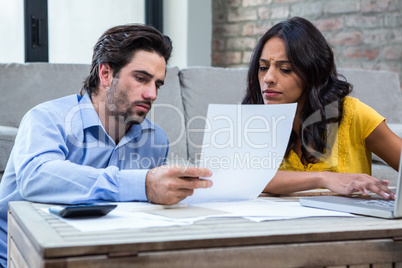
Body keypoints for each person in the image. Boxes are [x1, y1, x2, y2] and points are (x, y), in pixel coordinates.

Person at [0, 24, 212, 267]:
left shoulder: (156, 140)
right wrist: (143, 184)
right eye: (141, 79)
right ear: (106, 74)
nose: (152, 93)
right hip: (20, 256)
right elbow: (36, 177)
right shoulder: (47, 119)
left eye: (158, 84)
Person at [243, 17, 402, 198]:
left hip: (346, 224)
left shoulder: (354, 115)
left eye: (285, 69)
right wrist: (323, 178)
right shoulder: (254, 119)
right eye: (263, 67)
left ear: (312, 72)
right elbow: (246, 176)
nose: (268, 78)